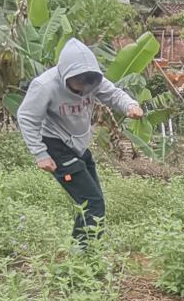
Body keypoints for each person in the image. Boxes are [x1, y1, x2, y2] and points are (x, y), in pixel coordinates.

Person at [16, 38, 143, 244]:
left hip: (78, 144)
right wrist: (40, 154)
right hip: (55, 144)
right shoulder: (45, 86)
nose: (85, 88)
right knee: (93, 202)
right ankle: (84, 255)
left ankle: (87, 246)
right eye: (79, 83)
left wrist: (129, 105)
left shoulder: (92, 81)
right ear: (66, 74)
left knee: (92, 199)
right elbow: (26, 117)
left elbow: (113, 94)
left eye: (89, 82)